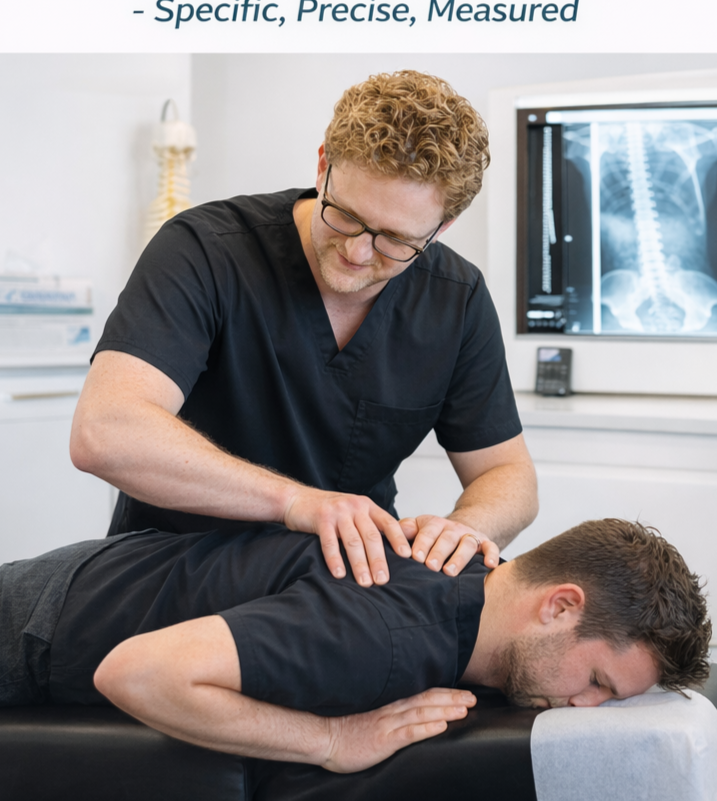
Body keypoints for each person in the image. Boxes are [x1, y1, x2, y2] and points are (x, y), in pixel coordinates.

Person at [69, 70, 538, 587]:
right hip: (169, 580)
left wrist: (463, 530)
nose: (359, 253)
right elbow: (105, 431)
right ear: (323, 166)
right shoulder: (205, 251)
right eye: (345, 216)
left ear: (442, 228)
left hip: (335, 599)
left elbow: (508, 476)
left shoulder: (455, 299)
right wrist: (295, 502)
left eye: (396, 241)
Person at [0, 519, 711, 774]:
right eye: (596, 681)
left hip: (86, 575)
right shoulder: (388, 632)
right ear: (559, 604)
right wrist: (330, 740)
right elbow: (138, 672)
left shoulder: (468, 569)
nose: (584, 707)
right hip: (29, 630)